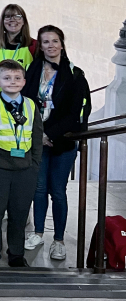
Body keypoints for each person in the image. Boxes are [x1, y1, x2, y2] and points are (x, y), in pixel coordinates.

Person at [22, 26, 90, 261]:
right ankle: (38, 232)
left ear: (62, 43)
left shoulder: (75, 74)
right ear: (40, 46)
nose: (50, 46)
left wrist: (50, 135)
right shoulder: (33, 69)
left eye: (54, 41)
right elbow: (25, 102)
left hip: (61, 142)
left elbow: (77, 113)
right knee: (38, 189)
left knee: (58, 192)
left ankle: (59, 240)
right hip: (37, 139)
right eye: (45, 42)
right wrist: (37, 135)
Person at [0, 59, 43, 268]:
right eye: (7, 78)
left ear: (24, 82)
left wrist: (34, 164)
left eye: (17, 78)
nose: (12, 82)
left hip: (24, 168)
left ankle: (16, 253)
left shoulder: (31, 105)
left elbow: (36, 135)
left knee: (19, 212)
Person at [0, 4, 37, 84]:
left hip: (23, 95)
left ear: (23, 21)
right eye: (8, 16)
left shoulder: (33, 45)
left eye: (17, 16)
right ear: (3, 21)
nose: (12, 20)